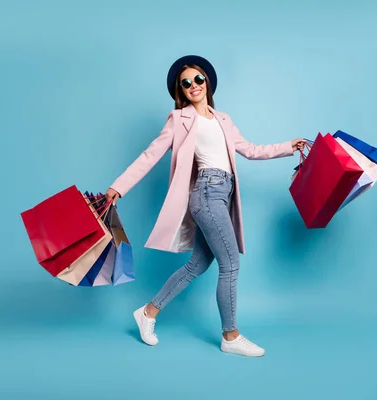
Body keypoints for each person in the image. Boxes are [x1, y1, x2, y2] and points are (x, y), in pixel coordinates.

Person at [105, 55, 305, 357]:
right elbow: (150, 155)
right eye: (186, 83)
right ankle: (231, 335)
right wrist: (118, 187)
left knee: (197, 264)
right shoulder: (179, 120)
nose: (193, 85)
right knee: (230, 265)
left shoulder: (223, 119)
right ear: (180, 91)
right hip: (207, 193)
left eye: (198, 79)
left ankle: (148, 312)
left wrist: (287, 147)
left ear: (207, 81)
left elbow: (250, 150)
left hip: (223, 194)